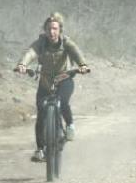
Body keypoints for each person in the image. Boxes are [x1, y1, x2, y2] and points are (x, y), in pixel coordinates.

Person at [16, 12, 90, 162]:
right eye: (49, 29)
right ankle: (40, 149)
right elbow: (31, 53)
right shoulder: (41, 43)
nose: (52, 32)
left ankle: (69, 126)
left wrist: (82, 65)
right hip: (45, 81)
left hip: (64, 79)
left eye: (55, 28)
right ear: (45, 30)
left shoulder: (66, 42)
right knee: (41, 113)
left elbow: (77, 53)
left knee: (63, 102)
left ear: (60, 30)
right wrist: (22, 64)